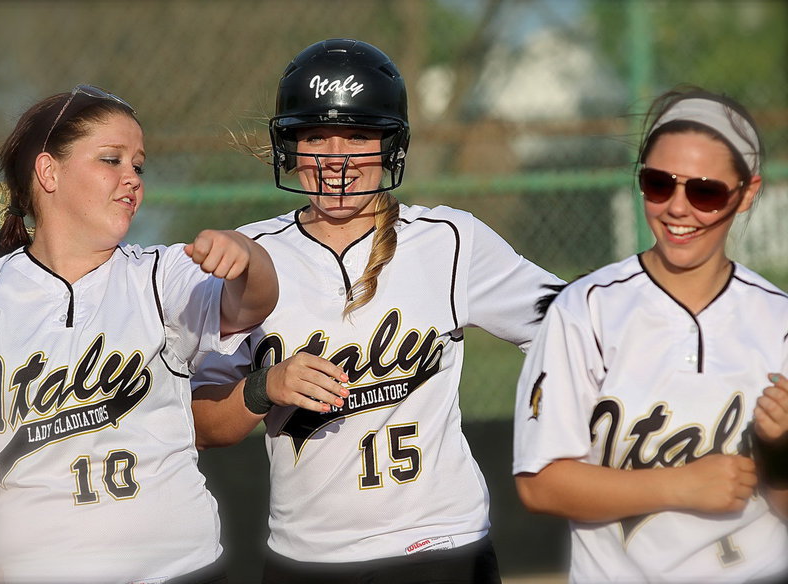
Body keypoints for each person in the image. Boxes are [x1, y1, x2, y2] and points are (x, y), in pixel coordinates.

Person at [191, 38, 563, 583]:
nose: (336, 159)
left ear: (391, 146)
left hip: (444, 550)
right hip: (307, 559)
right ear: (289, 147)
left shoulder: (447, 240)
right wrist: (263, 387)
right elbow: (203, 425)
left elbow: (574, 324)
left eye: (360, 136)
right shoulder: (251, 256)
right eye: (316, 135)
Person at [0, 84, 278, 583]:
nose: (132, 180)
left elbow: (252, 302)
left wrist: (249, 258)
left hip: (178, 571)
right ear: (48, 171)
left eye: (138, 166)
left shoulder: (159, 274)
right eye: (111, 160)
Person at [513, 87, 788, 583]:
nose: (677, 208)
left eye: (705, 191)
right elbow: (540, 483)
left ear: (747, 194)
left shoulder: (778, 321)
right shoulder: (588, 309)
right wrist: (680, 485)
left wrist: (781, 453)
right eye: (658, 184)